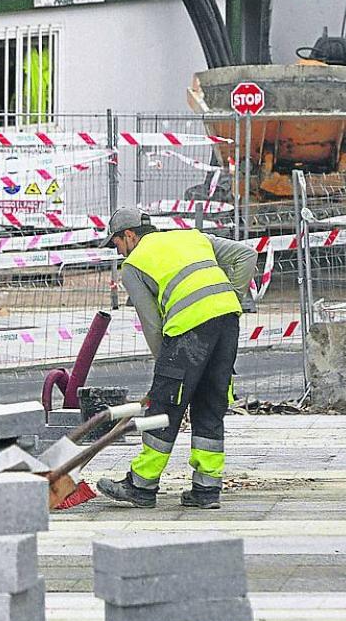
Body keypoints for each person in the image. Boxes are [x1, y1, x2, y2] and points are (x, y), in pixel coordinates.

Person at [96, 206, 257, 510]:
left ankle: (141, 485)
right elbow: (246, 255)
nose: (117, 251)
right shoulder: (192, 237)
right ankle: (206, 489)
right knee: (210, 403)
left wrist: (164, 371)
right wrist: (230, 298)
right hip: (227, 322)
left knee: (164, 406)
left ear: (129, 235)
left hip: (188, 331)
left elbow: (152, 323)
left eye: (116, 242)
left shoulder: (133, 265)